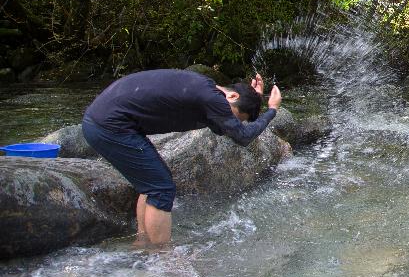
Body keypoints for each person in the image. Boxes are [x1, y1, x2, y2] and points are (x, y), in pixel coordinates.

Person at [82, 69, 281, 246]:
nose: (230, 124)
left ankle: (143, 243)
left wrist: (254, 98)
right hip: (109, 126)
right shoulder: (213, 99)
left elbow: (226, 128)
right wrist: (272, 110)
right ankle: (162, 260)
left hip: (102, 121)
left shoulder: (206, 89)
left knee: (153, 185)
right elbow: (243, 136)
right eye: (235, 118)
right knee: (162, 189)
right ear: (232, 95)